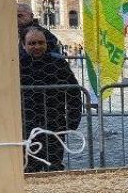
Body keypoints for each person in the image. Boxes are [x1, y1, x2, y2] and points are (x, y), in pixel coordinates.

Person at [19, 27, 82, 172]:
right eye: (32, 43)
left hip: (54, 124)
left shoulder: (58, 64)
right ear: (23, 45)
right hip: (25, 125)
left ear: (47, 44)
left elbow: (74, 92)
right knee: (28, 167)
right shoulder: (16, 64)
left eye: (41, 43)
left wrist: (72, 120)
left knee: (54, 166)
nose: (37, 47)